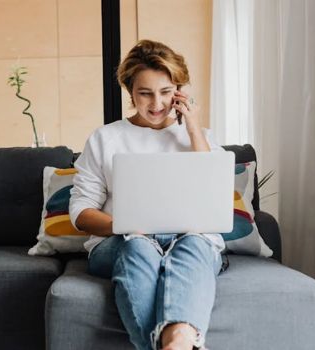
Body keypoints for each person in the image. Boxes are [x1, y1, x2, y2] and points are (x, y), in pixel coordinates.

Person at [69, 39, 225, 350]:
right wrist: (125, 226)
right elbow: (80, 213)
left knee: (194, 241)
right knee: (138, 246)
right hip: (122, 242)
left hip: (188, 241)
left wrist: (192, 129)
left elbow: (215, 200)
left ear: (179, 91)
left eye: (166, 92)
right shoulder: (106, 138)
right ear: (130, 92)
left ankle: (177, 342)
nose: (157, 103)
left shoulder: (199, 138)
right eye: (145, 93)